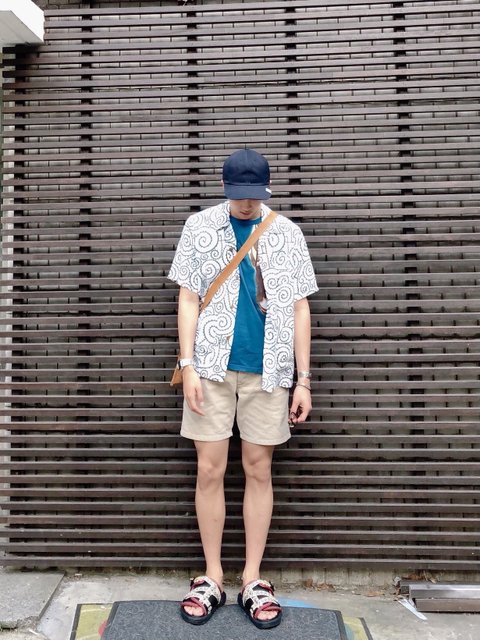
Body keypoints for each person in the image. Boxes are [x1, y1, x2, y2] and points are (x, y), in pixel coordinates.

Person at [168, 148, 318, 629]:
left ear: (266, 190)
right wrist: (188, 365)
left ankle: (253, 578)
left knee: (259, 469)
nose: (247, 203)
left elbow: (299, 308)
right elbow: (188, 298)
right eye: (239, 194)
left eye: (255, 195)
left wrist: (303, 380)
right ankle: (211, 576)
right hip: (211, 368)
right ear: (225, 187)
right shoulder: (199, 227)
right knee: (209, 470)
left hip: (269, 370)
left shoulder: (287, 233)